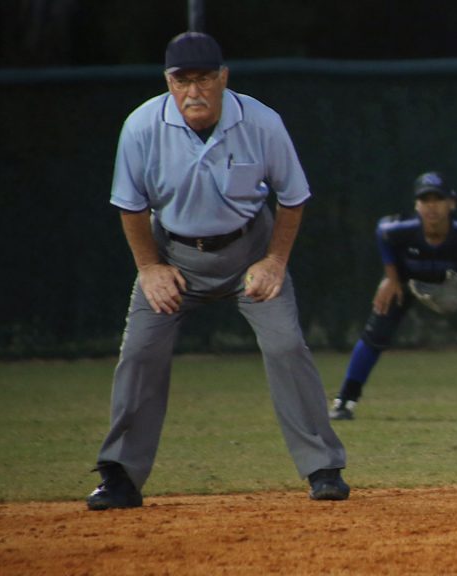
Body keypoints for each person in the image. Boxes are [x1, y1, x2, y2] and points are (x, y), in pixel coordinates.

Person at [86, 31, 349, 509]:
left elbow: (293, 199)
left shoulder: (262, 122)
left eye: (205, 78)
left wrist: (274, 261)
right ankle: (120, 475)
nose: (194, 90)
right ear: (168, 82)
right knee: (141, 354)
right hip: (172, 255)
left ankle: (323, 467)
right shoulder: (142, 127)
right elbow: (130, 205)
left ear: (223, 78)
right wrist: (149, 268)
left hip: (249, 250)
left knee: (286, 344)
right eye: (182, 79)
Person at [328, 171, 457, 420]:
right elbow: (382, 233)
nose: (431, 206)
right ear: (416, 205)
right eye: (424, 200)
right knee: (377, 327)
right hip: (409, 283)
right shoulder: (403, 230)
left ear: (451, 203)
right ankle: (345, 399)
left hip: (455, 284)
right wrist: (391, 277)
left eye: (437, 199)